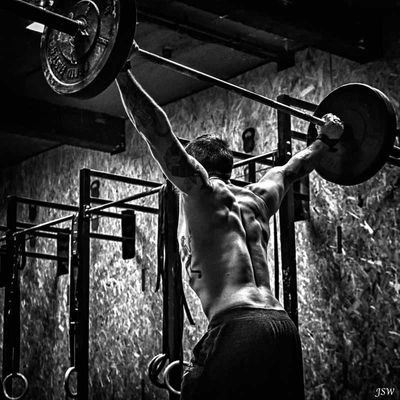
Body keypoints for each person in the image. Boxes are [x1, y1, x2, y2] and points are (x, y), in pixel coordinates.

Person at [116, 68, 344, 400]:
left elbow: (155, 131)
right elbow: (295, 167)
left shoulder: (200, 191)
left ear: (195, 165)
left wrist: (121, 74)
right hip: (281, 328)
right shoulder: (258, 198)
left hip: (238, 326)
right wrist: (327, 138)